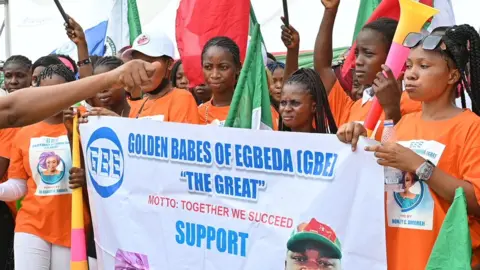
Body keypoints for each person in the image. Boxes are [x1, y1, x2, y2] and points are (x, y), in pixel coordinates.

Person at [337, 24, 480, 269]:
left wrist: (420, 166)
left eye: (424, 66)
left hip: (441, 261)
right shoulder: (401, 125)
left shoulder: (471, 127)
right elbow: (374, 180)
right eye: (410, 65)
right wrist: (355, 139)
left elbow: (476, 201)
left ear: (453, 76)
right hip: (391, 258)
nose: (411, 74)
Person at [1, 64, 94, 269]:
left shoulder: (87, 121)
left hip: (73, 224)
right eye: (46, 93)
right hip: (31, 225)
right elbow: (19, 185)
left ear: (70, 91)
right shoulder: (24, 131)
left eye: (59, 92)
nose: (53, 100)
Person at [313, 0, 422, 140]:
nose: (358, 62)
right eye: (357, 53)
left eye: (368, 53)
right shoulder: (353, 107)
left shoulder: (415, 103)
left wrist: (392, 111)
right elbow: (323, 68)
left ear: (392, 55)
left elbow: (399, 152)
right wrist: (330, 11)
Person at [0, 59, 163, 129]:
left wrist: (112, 77)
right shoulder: (28, 131)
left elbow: (12, 110)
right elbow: (12, 111)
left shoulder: (84, 118)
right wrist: (111, 77)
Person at [198, 36, 279, 127]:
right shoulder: (197, 113)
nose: (215, 75)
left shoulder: (258, 112)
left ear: (238, 68)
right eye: (208, 67)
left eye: (223, 67)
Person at [123, 31, 199, 123]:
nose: (142, 70)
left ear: (169, 64)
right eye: (137, 63)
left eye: (149, 62)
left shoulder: (181, 98)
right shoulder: (139, 104)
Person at [280, 68, 337, 134]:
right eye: (283, 103)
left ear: (313, 107)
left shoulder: (329, 143)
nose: (287, 109)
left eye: (295, 103)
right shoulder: (272, 142)